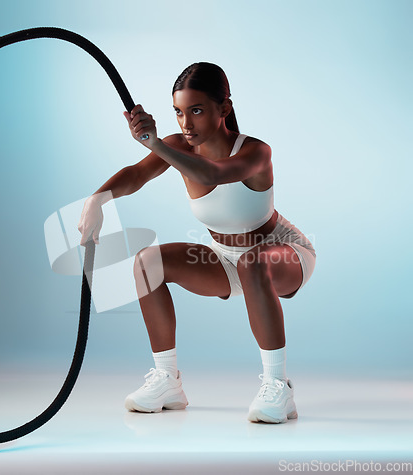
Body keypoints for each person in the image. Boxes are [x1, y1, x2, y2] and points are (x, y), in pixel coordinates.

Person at [78, 62, 316, 423]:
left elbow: (213, 174)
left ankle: (278, 387)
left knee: (253, 263)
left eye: (197, 111)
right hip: (226, 257)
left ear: (225, 108)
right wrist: (97, 199)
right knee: (146, 263)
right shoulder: (178, 146)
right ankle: (167, 380)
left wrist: (155, 142)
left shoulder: (255, 152)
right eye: (178, 112)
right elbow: (136, 174)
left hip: (282, 252)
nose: (186, 125)